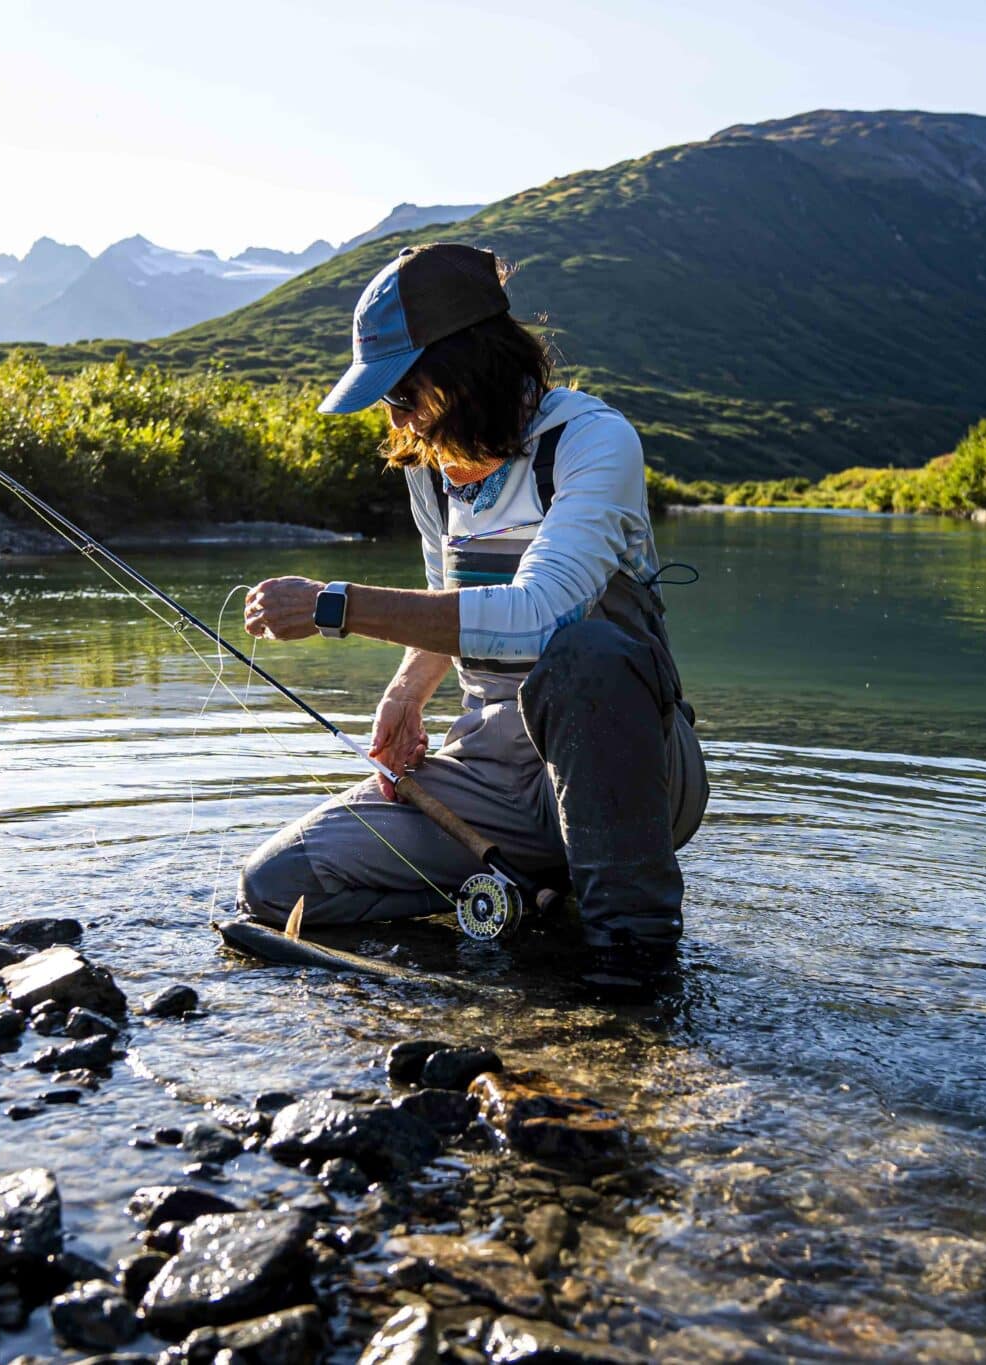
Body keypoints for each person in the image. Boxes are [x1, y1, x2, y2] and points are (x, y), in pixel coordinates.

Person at [234, 242, 707, 970]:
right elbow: (447, 603)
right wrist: (406, 692)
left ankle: (631, 964)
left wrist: (335, 606)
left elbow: (541, 616)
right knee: (276, 886)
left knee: (585, 656)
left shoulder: (592, 442)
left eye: (404, 393)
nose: (400, 420)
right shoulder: (430, 474)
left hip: (629, 771)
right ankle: (519, 917)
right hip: (488, 773)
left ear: (467, 370)